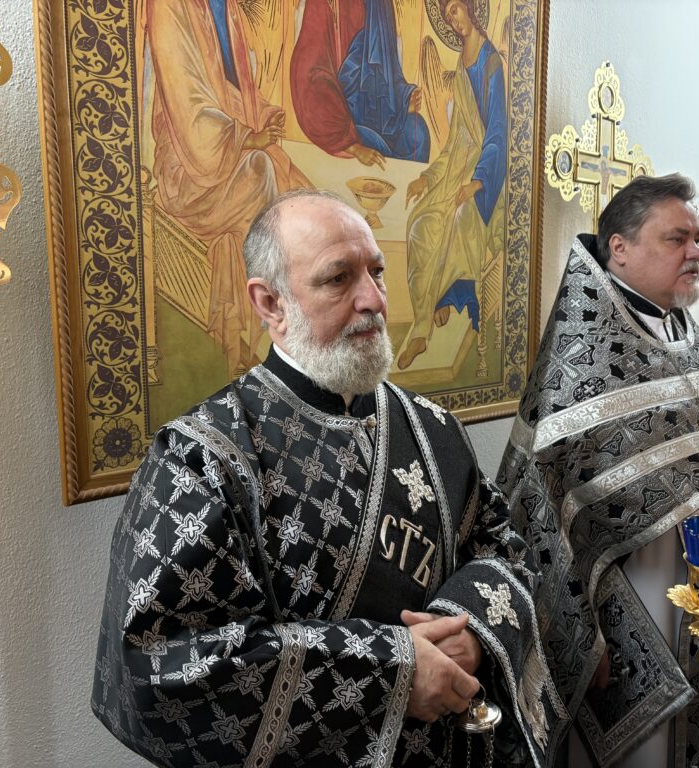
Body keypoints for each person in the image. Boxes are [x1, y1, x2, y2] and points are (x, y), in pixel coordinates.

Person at [92, 189, 563, 767]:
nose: (373, 300)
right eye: (339, 278)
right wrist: (392, 673)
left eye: (377, 272)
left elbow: (500, 548)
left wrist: (470, 630)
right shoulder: (202, 457)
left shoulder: (433, 427)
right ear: (270, 303)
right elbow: (162, 662)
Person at [497, 174, 699, 768]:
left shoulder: (681, 331)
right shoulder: (582, 358)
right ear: (619, 248)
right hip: (636, 600)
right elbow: (539, 509)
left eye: (698, 239)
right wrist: (580, 634)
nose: (696, 252)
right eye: (678, 238)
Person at [147, 0, 310, 374]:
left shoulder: (225, 8)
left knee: (298, 190)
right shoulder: (169, 7)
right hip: (188, 164)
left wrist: (264, 114)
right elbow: (187, 104)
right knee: (260, 171)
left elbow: (229, 91)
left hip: (222, 147)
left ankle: (268, 335)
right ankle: (268, 331)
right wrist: (247, 138)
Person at [397, 0, 506, 370]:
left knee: (459, 219)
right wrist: (428, 177)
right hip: (457, 168)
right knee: (419, 225)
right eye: (447, 16)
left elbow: (498, 131)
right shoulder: (462, 65)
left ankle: (424, 325)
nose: (453, 20)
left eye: (456, 10)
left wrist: (478, 182)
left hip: (488, 176)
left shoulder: (491, 63)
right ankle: (435, 301)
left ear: (471, 9)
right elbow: (456, 138)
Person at [290, 0, 429, 166]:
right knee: (376, 145)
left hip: (381, 110)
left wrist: (402, 100)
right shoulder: (322, 4)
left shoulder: (380, 3)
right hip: (342, 116)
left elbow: (387, 66)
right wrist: (353, 147)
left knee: (417, 134)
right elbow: (309, 75)